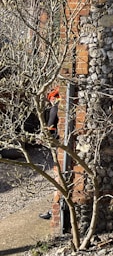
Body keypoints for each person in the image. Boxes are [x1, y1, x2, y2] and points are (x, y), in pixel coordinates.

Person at [39, 87, 60, 220]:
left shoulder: (55, 109)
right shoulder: (63, 107)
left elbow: (50, 129)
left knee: (58, 178)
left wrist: (42, 136)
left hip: (59, 147)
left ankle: (55, 209)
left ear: (53, 98)